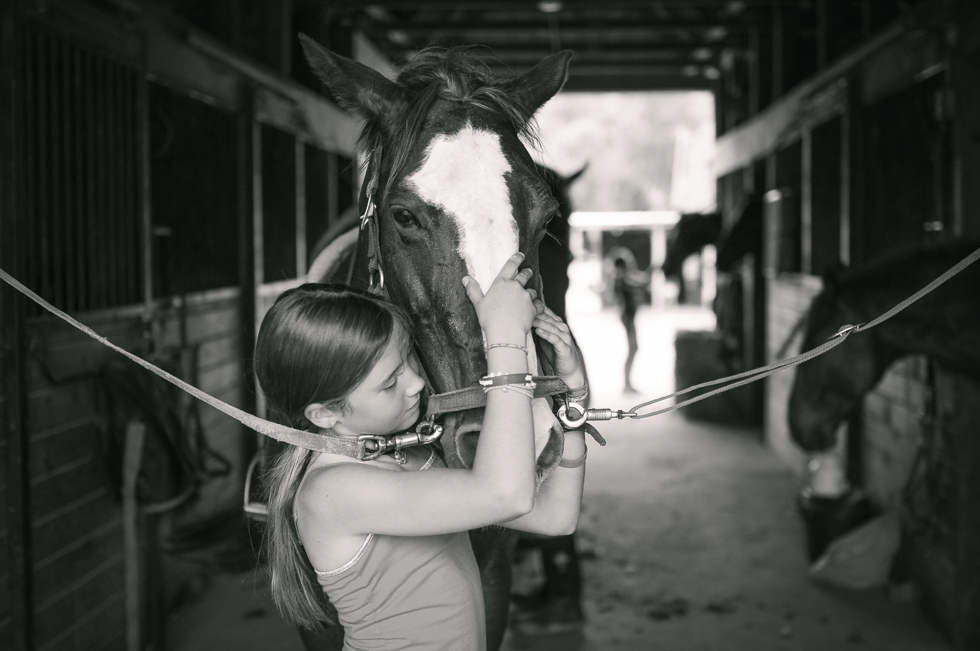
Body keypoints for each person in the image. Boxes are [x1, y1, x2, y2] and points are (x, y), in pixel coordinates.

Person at [254, 252, 588, 650]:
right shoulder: (332, 491)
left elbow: (555, 518)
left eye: (409, 358)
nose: (416, 383)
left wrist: (573, 395)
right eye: (389, 383)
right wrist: (504, 341)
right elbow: (506, 494)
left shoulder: (412, 457)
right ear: (326, 413)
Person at [612, 254, 648, 393]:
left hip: (628, 316)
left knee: (633, 348)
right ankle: (627, 384)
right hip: (627, 317)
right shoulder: (623, 278)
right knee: (633, 348)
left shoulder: (620, 278)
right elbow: (642, 281)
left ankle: (628, 383)